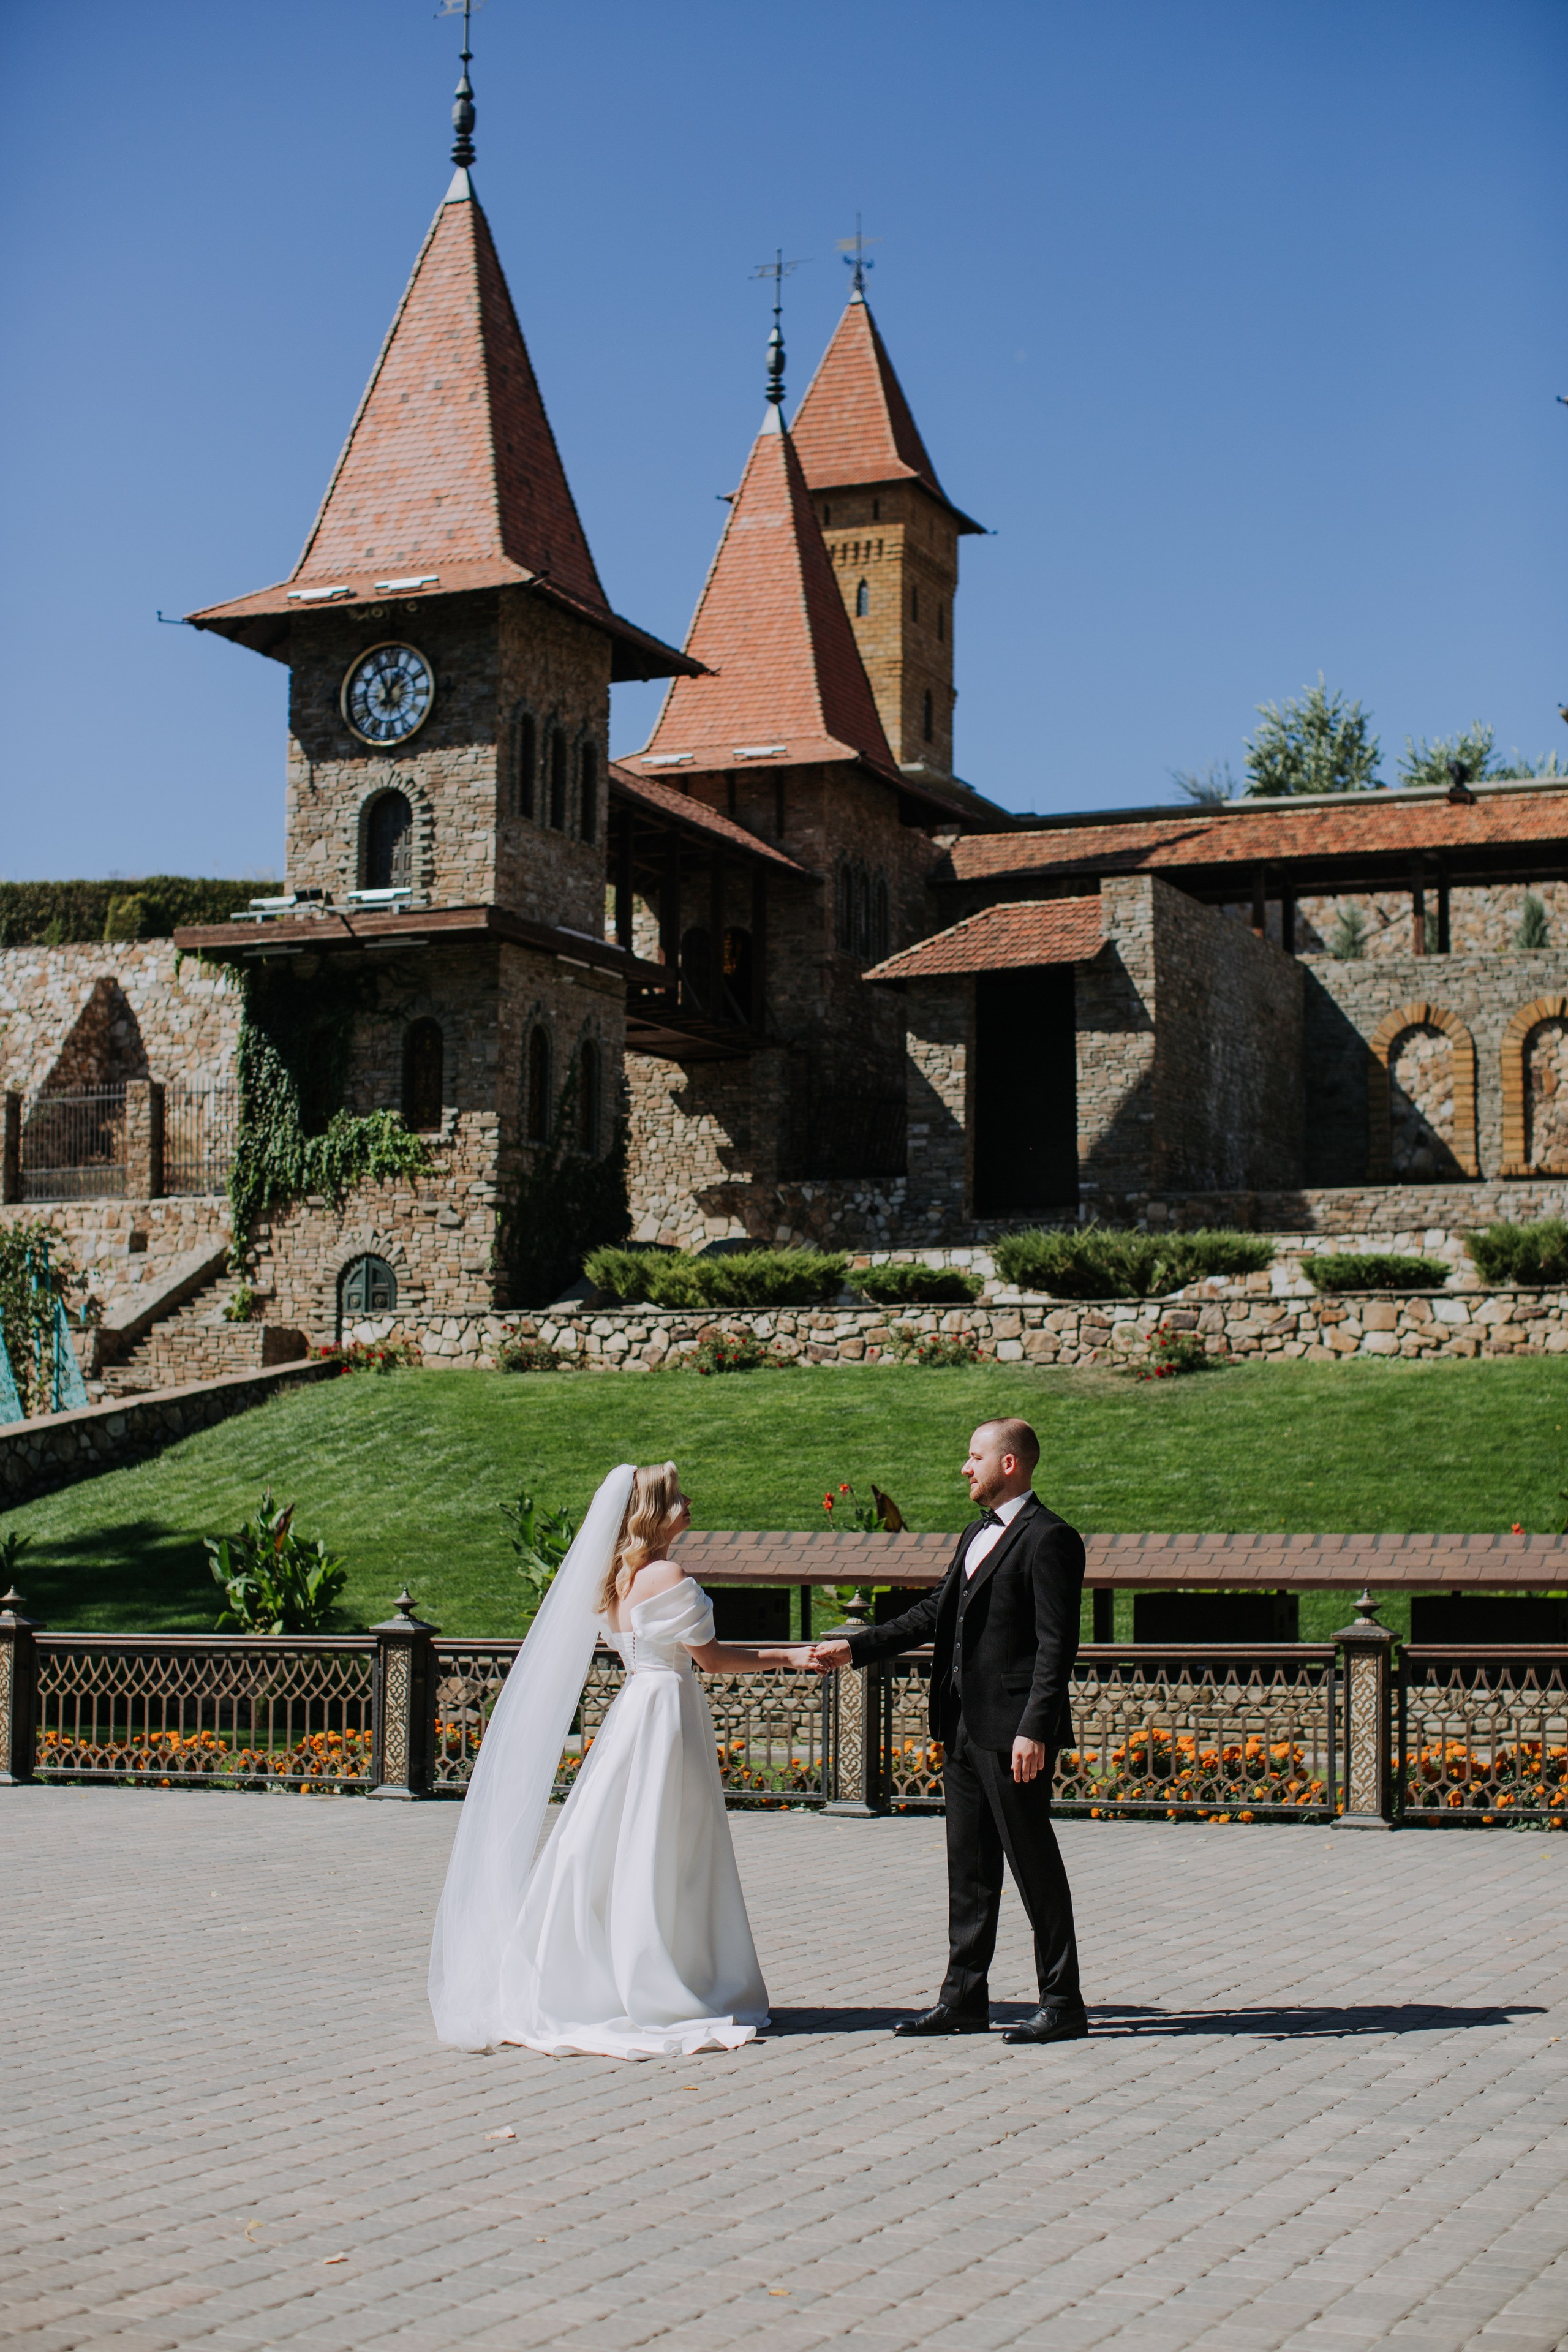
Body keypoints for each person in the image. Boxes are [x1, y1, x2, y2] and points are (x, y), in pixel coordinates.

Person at [429, 1460, 811, 2060]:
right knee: (667, 1845)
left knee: (612, 1839)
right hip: (666, 1712)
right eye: (678, 1497)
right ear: (654, 1513)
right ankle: (663, 1978)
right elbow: (709, 1660)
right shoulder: (666, 1573)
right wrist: (791, 1659)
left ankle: (590, 1973)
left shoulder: (613, 1577)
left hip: (636, 1707)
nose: (690, 1503)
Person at [812, 1417, 1088, 2045]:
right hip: (962, 1725)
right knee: (967, 1868)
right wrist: (854, 1649)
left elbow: (1055, 1647)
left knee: (1032, 1864)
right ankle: (964, 1998)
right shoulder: (975, 1533)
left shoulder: (1050, 1539)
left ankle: (1063, 2000)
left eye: (974, 1456)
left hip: (1013, 1733)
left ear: (1009, 1464)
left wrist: (1034, 1728)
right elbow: (937, 1613)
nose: (965, 1468)